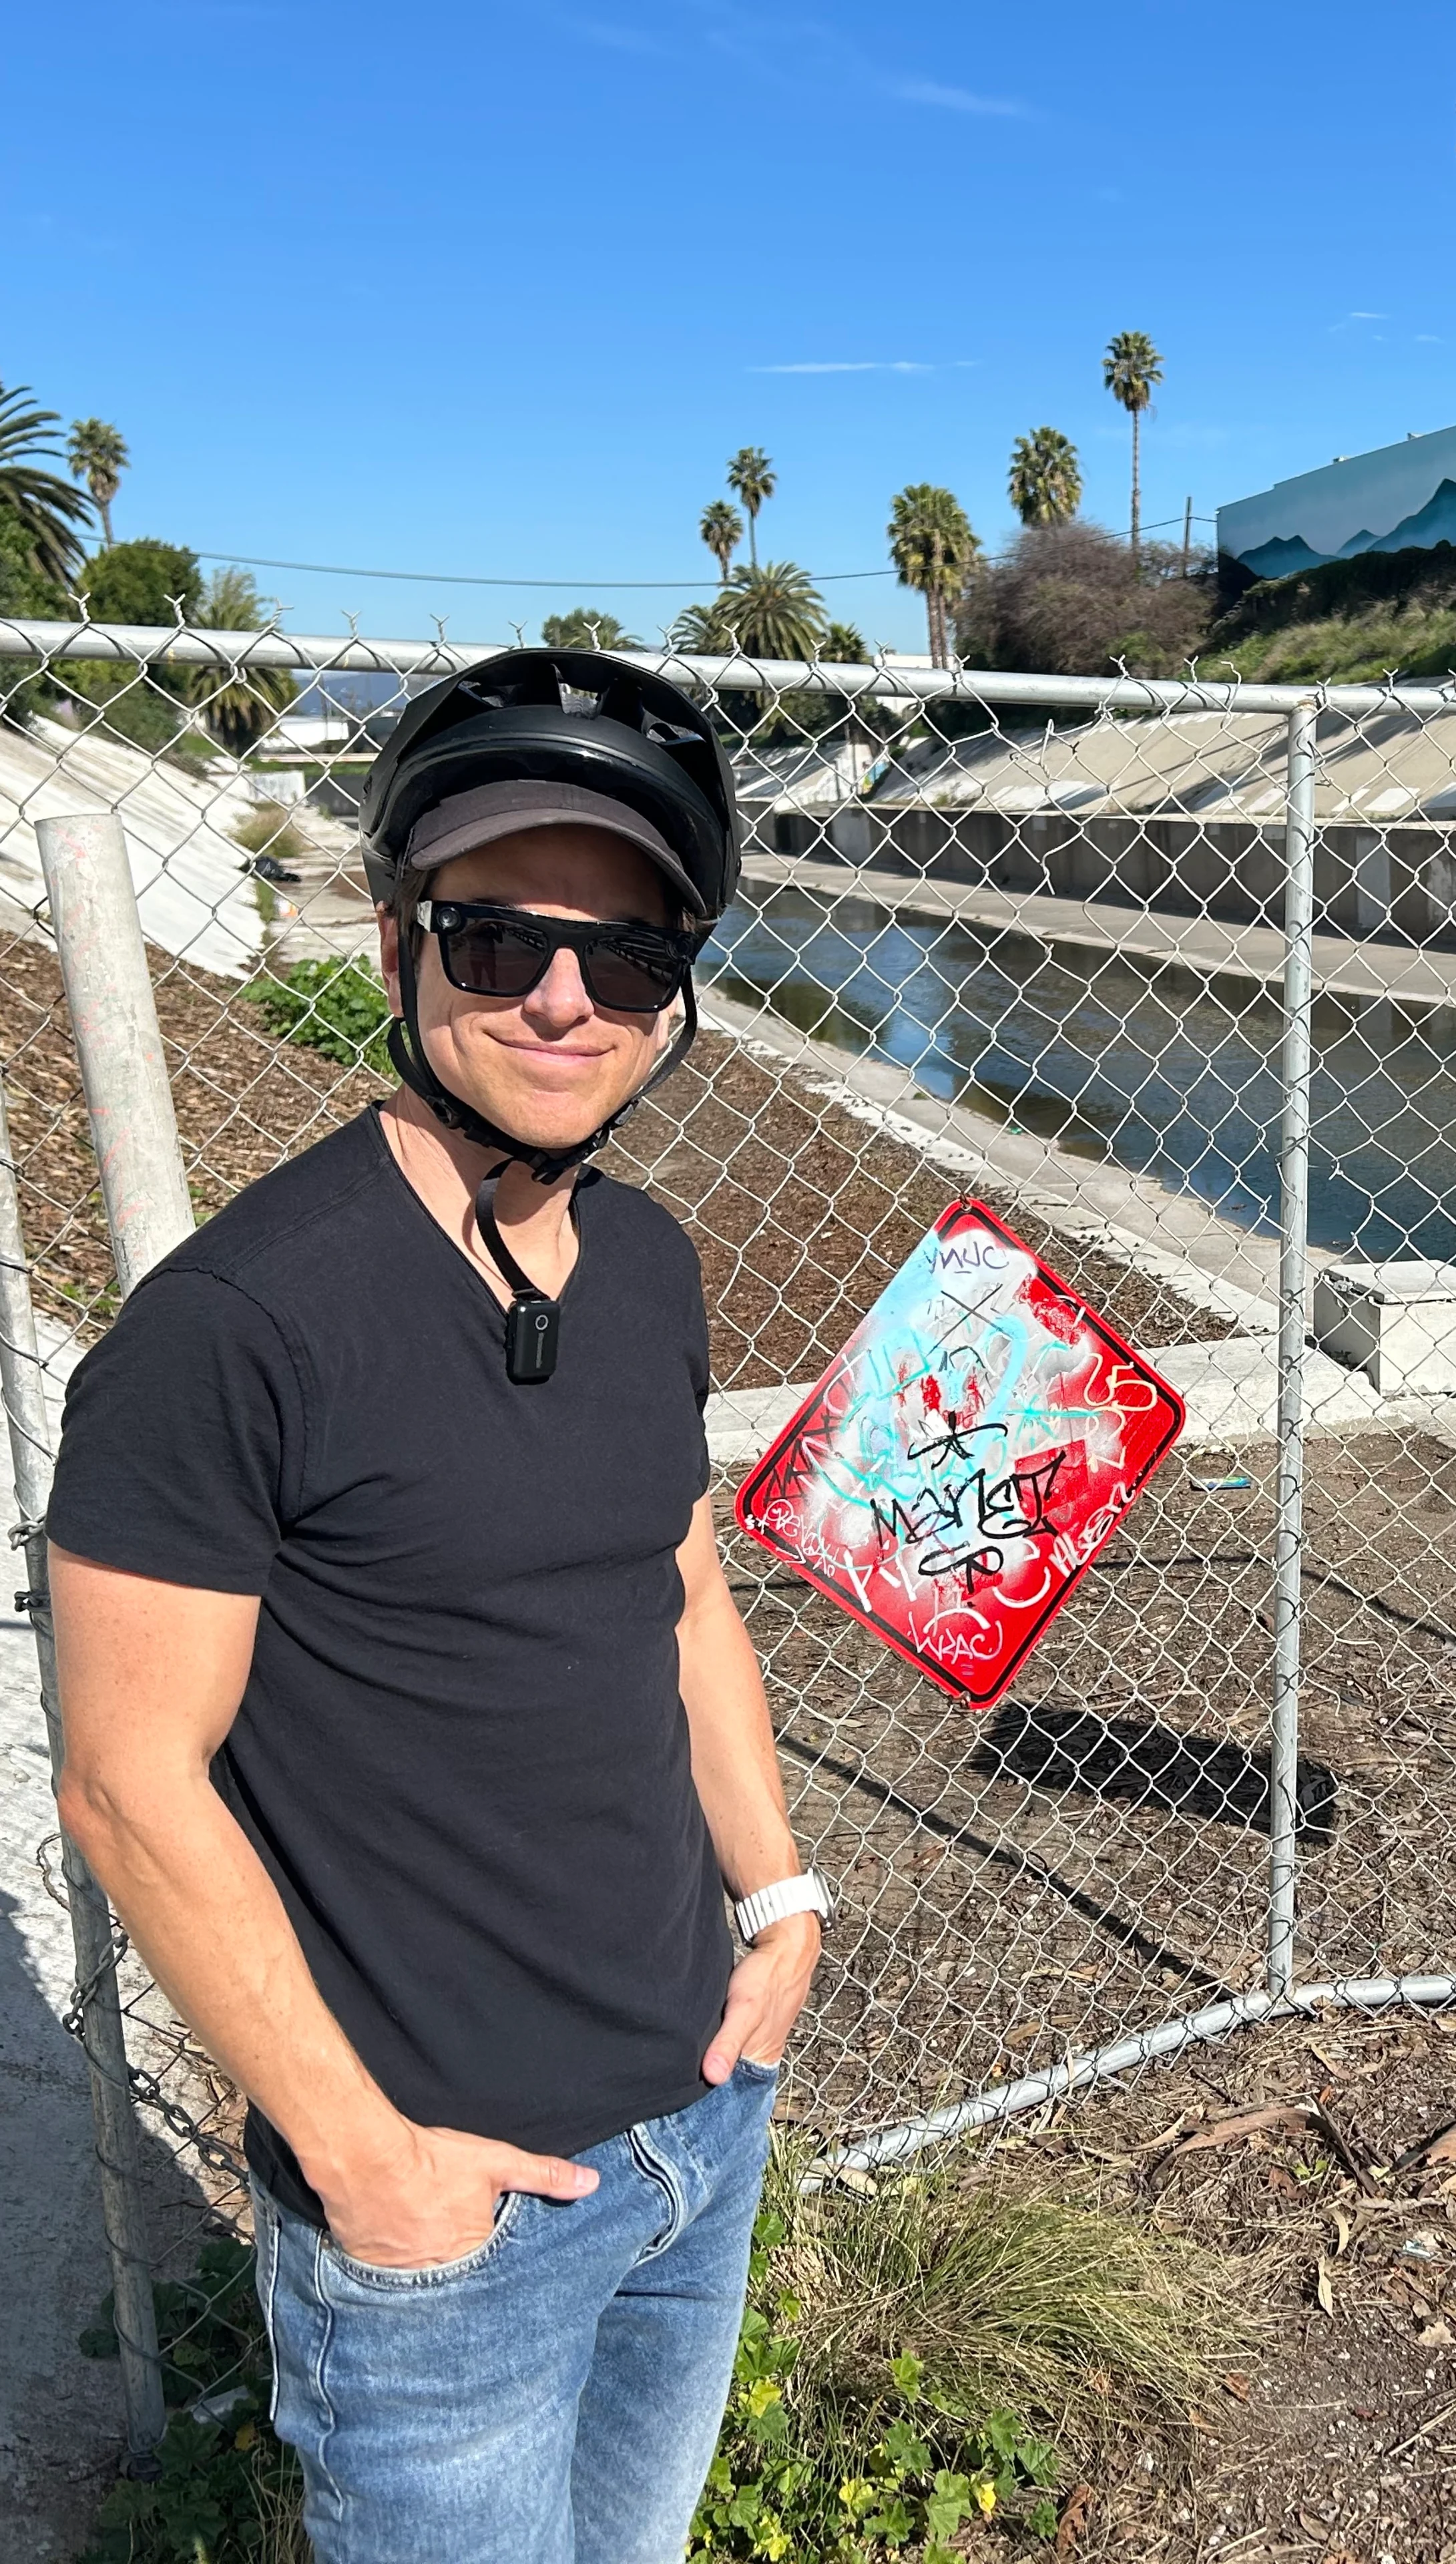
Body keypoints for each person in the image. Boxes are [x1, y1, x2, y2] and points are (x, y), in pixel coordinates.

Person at [48, 648, 830, 2563]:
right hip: (450, 2209)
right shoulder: (232, 1331)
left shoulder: (645, 1259)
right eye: (498, 941)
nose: (566, 999)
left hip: (698, 2125)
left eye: (627, 957)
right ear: (401, 939)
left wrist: (783, 1893)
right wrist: (365, 2164)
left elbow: (677, 1586)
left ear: (677, 996)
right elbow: (130, 1786)